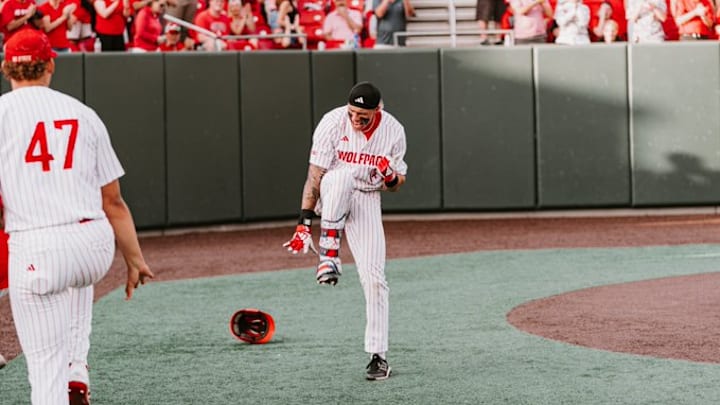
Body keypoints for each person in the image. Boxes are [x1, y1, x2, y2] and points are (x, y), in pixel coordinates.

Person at [0, 28, 154, 404]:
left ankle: (63, 375)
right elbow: (113, 201)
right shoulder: (82, 113)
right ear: (50, 65)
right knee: (75, 278)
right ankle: (77, 369)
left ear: (7, 69)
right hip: (94, 245)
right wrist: (134, 260)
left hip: (37, 246)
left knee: (43, 366)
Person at [283, 82, 407, 381]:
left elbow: (397, 183)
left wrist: (389, 175)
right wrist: (303, 223)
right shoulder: (332, 121)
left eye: (362, 115)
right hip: (334, 192)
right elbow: (315, 177)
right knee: (340, 179)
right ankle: (329, 254)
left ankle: (378, 356)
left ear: (378, 110)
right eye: (352, 112)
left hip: (367, 197)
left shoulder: (393, 130)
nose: (355, 119)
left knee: (375, 279)